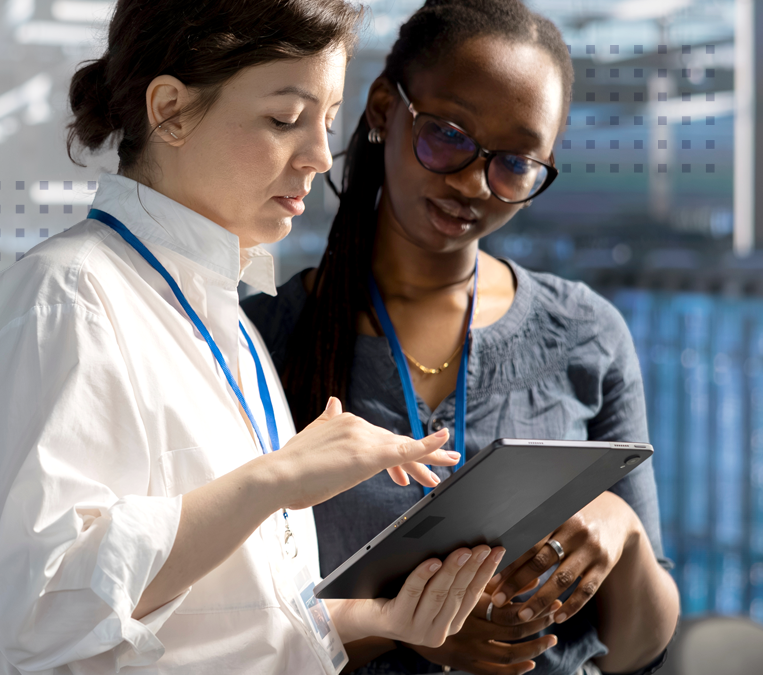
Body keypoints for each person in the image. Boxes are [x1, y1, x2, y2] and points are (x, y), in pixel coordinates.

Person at [0, 1, 504, 673]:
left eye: (325, 119)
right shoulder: (67, 302)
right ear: (170, 109)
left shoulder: (222, 313)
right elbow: (43, 609)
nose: (320, 155)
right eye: (284, 119)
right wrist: (275, 479)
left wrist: (382, 618)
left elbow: (221, 618)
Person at [242, 1, 680, 674]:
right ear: (385, 108)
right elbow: (223, 630)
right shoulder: (264, 341)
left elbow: (640, 650)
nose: (474, 183)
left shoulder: (587, 334)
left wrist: (624, 535)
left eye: (515, 163)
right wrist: (399, 629)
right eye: (447, 135)